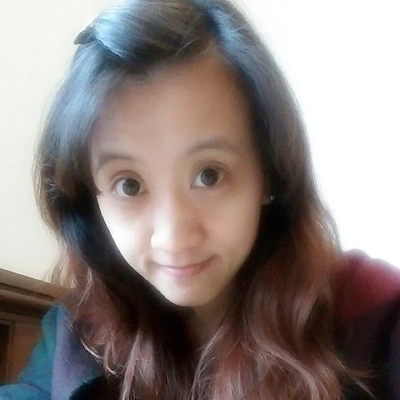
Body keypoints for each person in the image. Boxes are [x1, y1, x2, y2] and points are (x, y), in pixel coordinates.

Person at [1, 0, 399, 399]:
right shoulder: (76, 333)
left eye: (209, 175)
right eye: (129, 185)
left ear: (269, 171)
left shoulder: (371, 316)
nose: (173, 237)